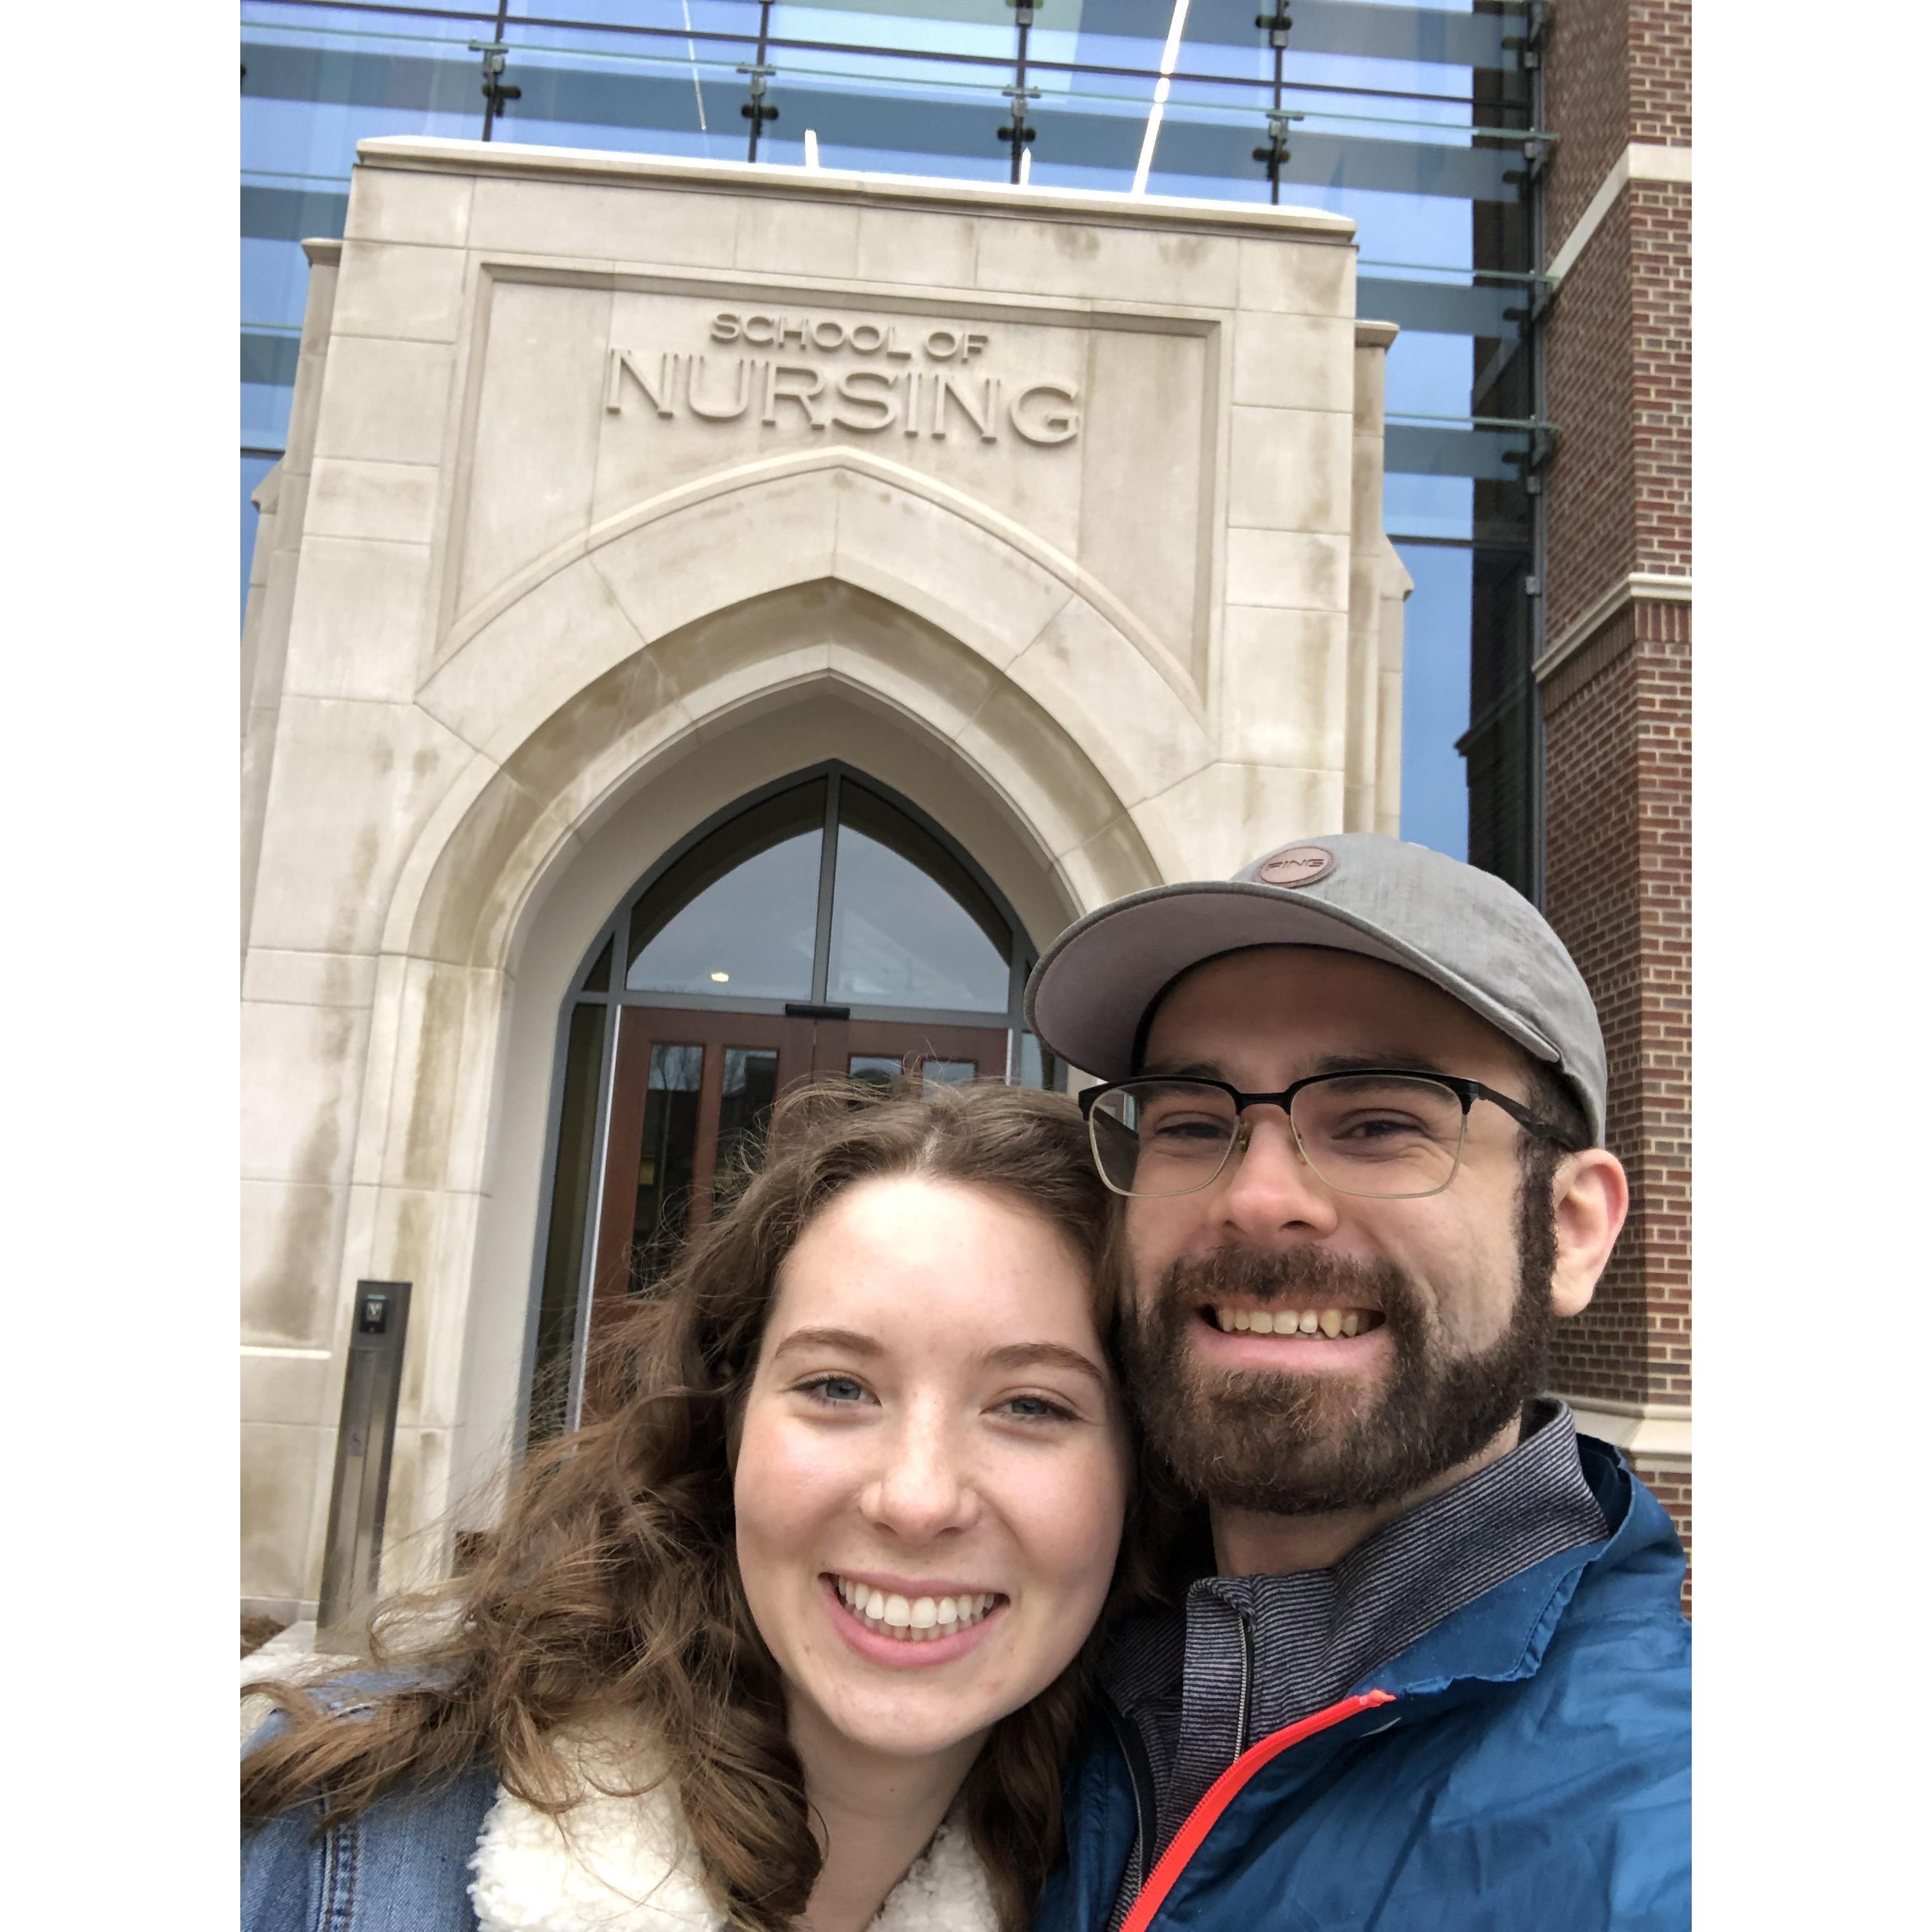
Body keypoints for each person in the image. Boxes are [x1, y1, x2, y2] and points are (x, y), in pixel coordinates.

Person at [243, 1081, 1166, 1932]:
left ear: (1139, 1473)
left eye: (1031, 1406)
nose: (917, 1500)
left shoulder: (1169, 1877)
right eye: (839, 1387)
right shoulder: (335, 1846)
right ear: (724, 1428)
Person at [1023, 833, 1690, 1932]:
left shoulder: (1676, 1846)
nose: (1257, 1196)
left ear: (1571, 1231)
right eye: (1192, 1124)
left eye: (1380, 1123)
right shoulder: (1017, 1685)